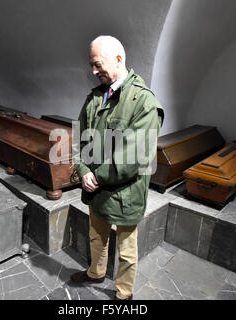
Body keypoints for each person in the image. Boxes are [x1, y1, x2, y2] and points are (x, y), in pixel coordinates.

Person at [71, 35, 164, 300]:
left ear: (119, 59)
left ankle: (124, 295)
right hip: (96, 186)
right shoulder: (95, 98)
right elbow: (79, 137)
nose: (93, 71)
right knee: (96, 237)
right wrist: (82, 168)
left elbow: (134, 156)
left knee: (127, 249)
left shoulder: (143, 102)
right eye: (92, 65)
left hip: (126, 191)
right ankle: (95, 272)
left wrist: (94, 176)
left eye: (98, 64)